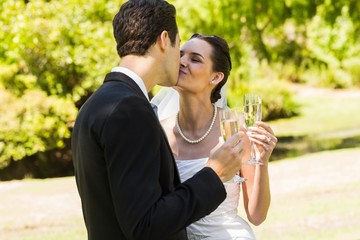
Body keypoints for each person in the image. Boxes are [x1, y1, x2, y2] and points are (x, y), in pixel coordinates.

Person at [71, 1, 246, 240]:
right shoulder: (129, 110)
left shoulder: (95, 104)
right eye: (179, 46)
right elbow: (145, 225)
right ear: (165, 40)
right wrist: (214, 173)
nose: (181, 60)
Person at [152, 33, 277, 239]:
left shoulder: (235, 129)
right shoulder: (159, 133)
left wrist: (262, 161)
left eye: (195, 59)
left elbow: (256, 216)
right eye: (181, 55)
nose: (182, 61)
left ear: (216, 77)